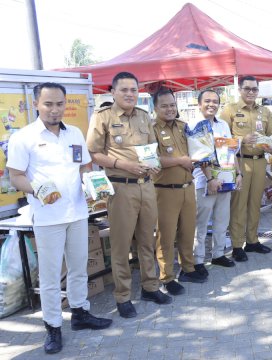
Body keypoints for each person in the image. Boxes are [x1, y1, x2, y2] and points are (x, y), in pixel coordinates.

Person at [8, 82, 112, 354]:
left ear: (65, 104)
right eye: (48, 104)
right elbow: (16, 176)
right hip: (47, 217)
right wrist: (37, 189)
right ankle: (53, 327)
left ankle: (80, 313)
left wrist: (93, 185)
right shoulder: (24, 137)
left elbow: (85, 165)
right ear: (36, 105)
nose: (55, 110)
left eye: (59, 104)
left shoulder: (74, 133)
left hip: (77, 212)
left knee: (78, 267)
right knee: (51, 275)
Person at [86, 72, 172, 319]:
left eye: (133, 90)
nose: (129, 94)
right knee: (122, 246)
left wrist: (154, 164)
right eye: (124, 90)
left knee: (147, 241)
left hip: (146, 186)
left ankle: (150, 287)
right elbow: (93, 153)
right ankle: (123, 296)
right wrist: (124, 165)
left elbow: (151, 151)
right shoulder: (103, 117)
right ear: (113, 92)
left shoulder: (144, 117)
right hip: (121, 187)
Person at [152, 88, 205, 297]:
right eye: (164, 105)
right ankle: (166, 277)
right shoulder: (152, 129)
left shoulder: (185, 127)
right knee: (166, 236)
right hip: (165, 191)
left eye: (172, 105)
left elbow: (199, 151)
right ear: (155, 108)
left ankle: (188, 269)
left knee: (187, 231)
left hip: (187, 187)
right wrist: (181, 161)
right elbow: (152, 160)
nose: (169, 109)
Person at [219, 76, 272, 262]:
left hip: (260, 161)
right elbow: (221, 139)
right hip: (239, 162)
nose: (251, 92)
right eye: (247, 89)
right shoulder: (230, 110)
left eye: (254, 89)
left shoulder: (265, 111)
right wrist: (242, 141)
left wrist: (271, 144)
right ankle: (237, 245)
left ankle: (252, 241)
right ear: (240, 90)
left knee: (255, 203)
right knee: (239, 205)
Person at [191, 90, 240, 272]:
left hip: (225, 179)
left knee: (221, 219)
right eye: (207, 101)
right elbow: (198, 156)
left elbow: (231, 152)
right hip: (204, 182)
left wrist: (238, 174)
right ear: (199, 104)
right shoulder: (193, 125)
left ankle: (218, 254)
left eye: (215, 101)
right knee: (201, 223)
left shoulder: (223, 126)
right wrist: (210, 178)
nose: (211, 104)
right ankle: (198, 260)